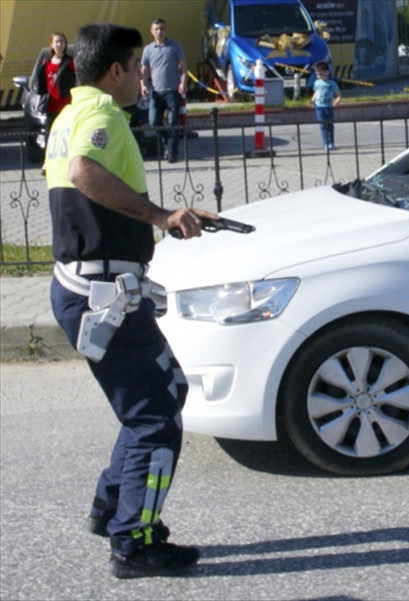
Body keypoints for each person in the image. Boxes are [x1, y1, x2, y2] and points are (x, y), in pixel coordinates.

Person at [45, 22, 217, 579]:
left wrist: (172, 218)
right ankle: (134, 542)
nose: (143, 77)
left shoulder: (69, 114)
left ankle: (110, 509)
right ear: (115, 71)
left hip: (92, 288)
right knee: (156, 419)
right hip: (103, 296)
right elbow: (84, 173)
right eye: (137, 66)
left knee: (164, 393)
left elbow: (89, 189)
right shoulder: (102, 118)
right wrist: (161, 216)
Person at [140, 18, 186, 163]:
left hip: (172, 91)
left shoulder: (174, 46)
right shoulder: (148, 49)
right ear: (151, 31)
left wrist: (183, 83)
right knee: (154, 122)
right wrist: (143, 85)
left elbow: (184, 66)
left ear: (165, 30)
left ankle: (172, 154)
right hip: (156, 92)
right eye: (157, 29)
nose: (159, 31)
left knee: (173, 123)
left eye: (162, 29)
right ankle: (168, 144)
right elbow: (144, 70)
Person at [32, 32, 76, 171]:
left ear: (65, 44)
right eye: (56, 42)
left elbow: (77, 81)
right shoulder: (46, 64)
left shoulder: (70, 62)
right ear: (51, 44)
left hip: (66, 105)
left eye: (62, 41)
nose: (59, 44)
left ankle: (69, 162)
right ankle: (48, 162)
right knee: (51, 135)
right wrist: (39, 98)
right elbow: (41, 84)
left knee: (68, 134)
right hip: (51, 105)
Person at [308, 61, 341, 150]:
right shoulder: (316, 83)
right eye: (317, 74)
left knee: (329, 125)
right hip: (319, 107)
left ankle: (331, 142)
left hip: (328, 106)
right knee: (322, 125)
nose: (319, 76)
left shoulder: (332, 83)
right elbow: (316, 92)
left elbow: (338, 95)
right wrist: (312, 100)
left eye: (321, 74)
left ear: (327, 72)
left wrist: (337, 101)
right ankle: (325, 143)